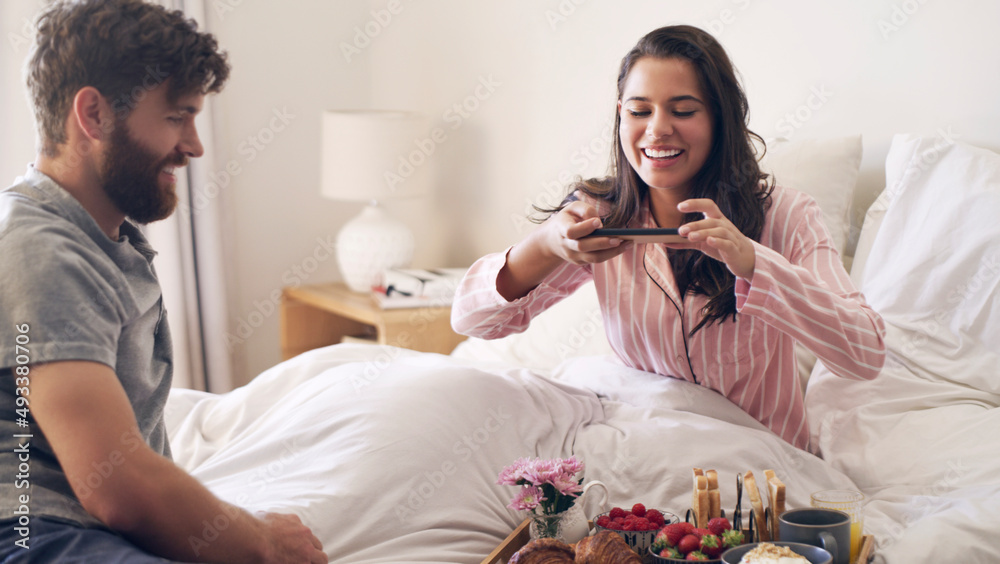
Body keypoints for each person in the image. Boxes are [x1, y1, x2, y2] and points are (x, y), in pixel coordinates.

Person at [451, 25, 886, 452]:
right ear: (621, 116)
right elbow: (472, 322)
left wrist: (752, 261)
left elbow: (865, 355)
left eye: (682, 110)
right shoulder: (601, 216)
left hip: (758, 471)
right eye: (640, 111)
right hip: (646, 453)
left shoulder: (786, 215)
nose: (657, 129)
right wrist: (544, 245)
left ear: (720, 119)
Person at [0, 1, 326, 562]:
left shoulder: (105, 238)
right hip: (32, 531)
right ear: (94, 115)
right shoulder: (38, 249)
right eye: (177, 117)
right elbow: (119, 488)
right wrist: (264, 546)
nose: (194, 145)